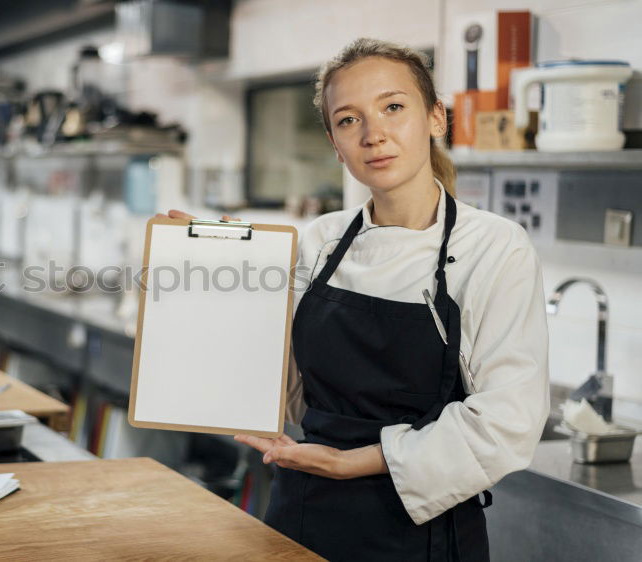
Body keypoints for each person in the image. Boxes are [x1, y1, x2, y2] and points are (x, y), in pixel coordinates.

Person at [160, 38, 549, 561]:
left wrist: (353, 462)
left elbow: (508, 421)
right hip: (301, 511)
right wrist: (230, 277)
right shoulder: (320, 241)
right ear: (334, 142)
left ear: (435, 118)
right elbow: (294, 390)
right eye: (349, 120)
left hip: (419, 532)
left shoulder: (494, 247)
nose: (374, 135)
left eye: (393, 107)